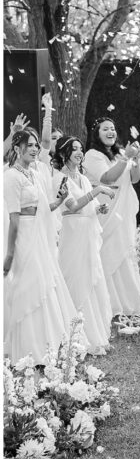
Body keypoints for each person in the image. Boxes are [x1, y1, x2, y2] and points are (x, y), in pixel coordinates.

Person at [4, 127, 76, 364]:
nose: (35, 149)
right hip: (23, 235)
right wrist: (10, 253)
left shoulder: (34, 174)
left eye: (36, 145)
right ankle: (26, 350)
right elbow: (13, 217)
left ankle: (46, 345)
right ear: (17, 148)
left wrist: (60, 199)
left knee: (45, 285)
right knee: (29, 286)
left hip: (39, 234)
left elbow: (44, 208)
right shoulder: (10, 177)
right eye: (31, 145)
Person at [52, 136, 116, 355]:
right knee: (76, 278)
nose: (79, 153)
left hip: (87, 233)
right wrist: (98, 190)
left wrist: (100, 209)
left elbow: (90, 206)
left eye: (80, 149)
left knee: (91, 277)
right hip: (73, 234)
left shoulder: (83, 177)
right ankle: (74, 336)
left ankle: (95, 334)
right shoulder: (59, 178)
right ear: (63, 154)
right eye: (74, 149)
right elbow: (73, 205)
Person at [83, 116, 140, 318]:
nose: (110, 132)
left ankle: (132, 304)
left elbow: (135, 179)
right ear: (97, 133)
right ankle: (111, 306)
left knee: (126, 255)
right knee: (109, 253)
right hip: (107, 210)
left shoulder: (120, 152)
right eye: (105, 129)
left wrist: (136, 160)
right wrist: (126, 158)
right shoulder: (92, 155)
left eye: (112, 128)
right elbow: (107, 177)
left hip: (125, 210)